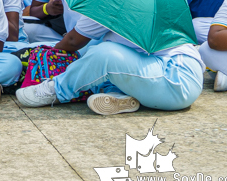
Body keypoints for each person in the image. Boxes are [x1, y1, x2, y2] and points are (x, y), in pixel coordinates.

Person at [16, 12, 204, 115]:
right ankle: (122, 95)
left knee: (103, 54)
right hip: (169, 73)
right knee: (100, 46)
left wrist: (48, 57)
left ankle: (56, 90)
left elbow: (73, 41)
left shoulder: (114, 2)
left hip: (176, 77)